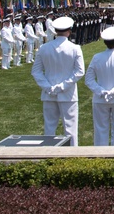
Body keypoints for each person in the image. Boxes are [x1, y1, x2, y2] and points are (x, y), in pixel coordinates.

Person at [31, 16, 84, 146]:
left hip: (49, 93)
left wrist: (48, 87)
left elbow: (36, 71)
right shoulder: (75, 48)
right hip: (68, 93)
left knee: (49, 128)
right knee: (70, 129)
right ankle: (72, 156)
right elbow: (79, 72)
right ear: (69, 31)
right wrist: (63, 86)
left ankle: (48, 154)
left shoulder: (44, 48)